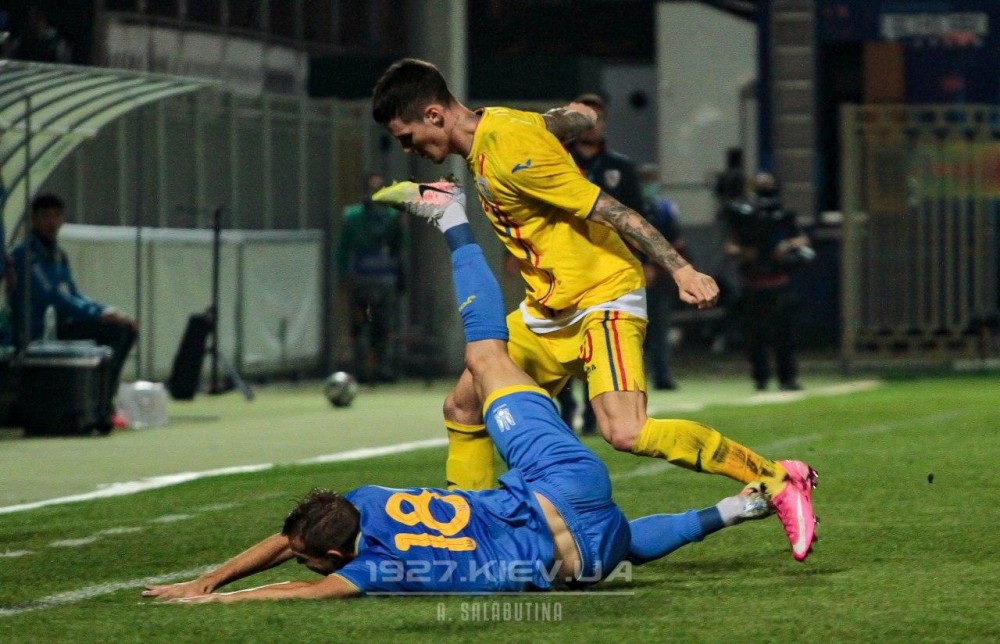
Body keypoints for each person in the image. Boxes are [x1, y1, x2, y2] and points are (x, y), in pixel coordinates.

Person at [142, 215, 774, 603]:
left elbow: (303, 582)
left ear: (338, 554)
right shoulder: (365, 499)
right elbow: (297, 558)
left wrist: (214, 591)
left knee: (486, 367)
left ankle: (734, 509)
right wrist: (214, 588)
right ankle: (454, 222)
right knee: (481, 369)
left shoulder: (378, 568)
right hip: (562, 487)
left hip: (582, 564)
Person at [368, 57, 817, 562]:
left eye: (407, 137)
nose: (407, 149)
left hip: (601, 298)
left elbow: (614, 211)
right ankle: (468, 539)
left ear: (433, 115)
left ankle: (778, 479)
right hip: (548, 310)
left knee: (626, 431)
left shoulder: (510, 151)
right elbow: (558, 122)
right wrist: (580, 116)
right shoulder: (498, 125)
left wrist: (681, 269)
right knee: (463, 407)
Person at [557, 92, 645, 433]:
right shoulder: (557, 158)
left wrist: (646, 261)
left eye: (597, 119)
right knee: (560, 339)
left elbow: (636, 216)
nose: (591, 126)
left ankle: (597, 413)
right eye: (585, 119)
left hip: (608, 267)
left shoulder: (621, 168)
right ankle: (566, 408)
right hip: (563, 263)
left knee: (601, 341)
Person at [8, 193, 138, 420]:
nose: (51, 222)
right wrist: (99, 314)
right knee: (115, 331)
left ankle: (103, 399)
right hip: (37, 334)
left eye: (56, 216)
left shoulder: (59, 255)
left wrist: (108, 311)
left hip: (60, 326)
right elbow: (53, 297)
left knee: (126, 329)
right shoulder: (25, 255)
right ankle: (100, 404)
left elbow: (74, 295)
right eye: (45, 216)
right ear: (33, 220)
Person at [723, 172, 813, 392]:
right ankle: (761, 377)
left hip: (778, 283)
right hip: (753, 284)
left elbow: (802, 238)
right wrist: (745, 252)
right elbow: (731, 245)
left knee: (785, 335)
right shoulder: (743, 215)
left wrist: (786, 246)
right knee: (755, 336)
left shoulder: (783, 214)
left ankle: (787, 378)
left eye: (768, 184)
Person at [338, 172, 408, 383]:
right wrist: (343, 277)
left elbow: (401, 248)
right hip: (361, 279)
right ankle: (360, 368)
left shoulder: (393, 216)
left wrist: (401, 275)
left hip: (386, 279)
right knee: (360, 325)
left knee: (384, 327)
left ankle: (383, 368)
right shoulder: (353, 216)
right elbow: (343, 249)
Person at [638, 163, 687, 391]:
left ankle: (662, 375)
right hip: (635, 276)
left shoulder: (665, 208)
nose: (650, 184)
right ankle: (636, 378)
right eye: (646, 179)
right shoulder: (629, 206)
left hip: (660, 276)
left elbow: (676, 240)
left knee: (660, 328)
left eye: (652, 179)